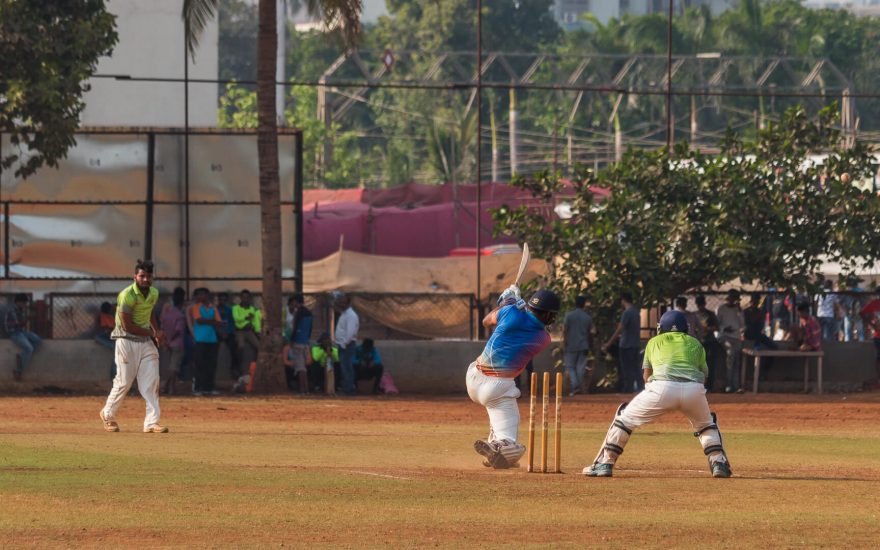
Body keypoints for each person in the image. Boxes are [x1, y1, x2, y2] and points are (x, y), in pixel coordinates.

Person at [583, 310, 732, 478]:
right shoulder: (696, 343)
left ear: (662, 328)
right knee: (707, 425)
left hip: (662, 388)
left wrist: (656, 397)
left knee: (624, 419)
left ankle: (605, 463)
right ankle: (718, 463)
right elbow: (704, 376)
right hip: (694, 390)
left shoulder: (654, 342)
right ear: (685, 328)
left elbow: (647, 376)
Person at [467, 287, 559, 469]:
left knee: (498, 421)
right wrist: (514, 304)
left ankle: (494, 449)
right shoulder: (542, 338)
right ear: (548, 315)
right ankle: (498, 447)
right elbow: (529, 323)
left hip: (473, 378)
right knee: (514, 446)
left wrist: (504, 303)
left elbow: (486, 321)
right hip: (497, 388)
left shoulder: (509, 313)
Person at [99, 259, 168, 433]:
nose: (145, 279)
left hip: (145, 342)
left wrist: (156, 330)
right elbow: (128, 326)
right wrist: (154, 334)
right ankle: (108, 415)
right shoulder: (127, 295)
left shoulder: (153, 293)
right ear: (135, 277)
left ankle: (151, 423)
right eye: (142, 276)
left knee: (151, 382)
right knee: (124, 382)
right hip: (126, 340)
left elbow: (149, 312)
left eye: (149, 276)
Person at [601, 292, 642, 394]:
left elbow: (620, 328)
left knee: (626, 368)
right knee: (636, 367)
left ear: (623, 300)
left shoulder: (627, 313)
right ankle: (640, 388)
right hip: (635, 344)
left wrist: (609, 343)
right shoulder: (636, 312)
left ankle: (628, 390)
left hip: (626, 345)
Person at [191, 288, 223, 396]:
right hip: (200, 339)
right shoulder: (196, 307)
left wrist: (213, 322)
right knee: (200, 364)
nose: (201, 297)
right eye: (199, 295)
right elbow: (199, 320)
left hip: (212, 339)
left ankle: (208, 387)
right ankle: (197, 388)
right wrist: (213, 322)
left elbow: (219, 322)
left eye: (203, 294)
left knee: (211, 364)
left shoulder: (213, 308)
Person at [4, 293, 42, 382]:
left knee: (38, 341)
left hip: (20, 332)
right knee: (29, 348)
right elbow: (18, 323)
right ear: (18, 302)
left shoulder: (19, 310)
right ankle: (18, 371)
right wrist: (25, 320)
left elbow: (21, 323)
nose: (25, 305)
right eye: (24, 303)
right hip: (14, 333)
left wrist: (24, 321)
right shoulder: (12, 310)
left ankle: (22, 356)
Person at [562, 295, 594, 396]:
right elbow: (590, 333)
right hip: (584, 345)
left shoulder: (569, 316)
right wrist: (590, 345)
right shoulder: (587, 317)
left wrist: (565, 342)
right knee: (581, 368)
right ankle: (579, 387)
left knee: (570, 367)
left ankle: (575, 386)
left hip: (571, 345)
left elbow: (565, 331)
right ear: (584, 304)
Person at [716, 289, 744, 393]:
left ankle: (736, 386)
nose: (733, 301)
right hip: (725, 336)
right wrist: (724, 329)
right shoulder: (721, 309)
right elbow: (717, 324)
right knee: (730, 354)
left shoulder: (739, 310)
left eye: (735, 299)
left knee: (737, 360)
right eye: (732, 298)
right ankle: (728, 385)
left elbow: (743, 325)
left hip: (736, 337)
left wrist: (740, 312)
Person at [284, 294, 313, 395]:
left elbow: (295, 328)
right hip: (305, 342)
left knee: (300, 368)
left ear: (297, 302)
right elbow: (310, 329)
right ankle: (307, 390)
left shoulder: (298, 313)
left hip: (298, 342)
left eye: (294, 302)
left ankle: (302, 391)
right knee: (304, 368)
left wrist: (292, 340)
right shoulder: (309, 313)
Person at [159, 288, 186, 395]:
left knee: (170, 366)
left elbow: (163, 329)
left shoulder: (166, 315)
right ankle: (168, 387)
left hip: (167, 343)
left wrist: (166, 341)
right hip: (177, 343)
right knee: (174, 367)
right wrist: (171, 340)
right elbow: (178, 331)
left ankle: (168, 387)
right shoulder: (180, 316)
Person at [334, 293, 360, 396]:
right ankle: (347, 388)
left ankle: (348, 390)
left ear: (348, 303)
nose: (341, 304)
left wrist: (344, 343)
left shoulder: (351, 315)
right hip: (342, 344)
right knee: (344, 367)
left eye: (344, 302)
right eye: (340, 302)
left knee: (347, 368)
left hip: (347, 344)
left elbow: (350, 332)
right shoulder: (344, 314)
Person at [694, 294, 721, 392]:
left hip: (710, 341)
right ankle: (699, 386)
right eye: (699, 304)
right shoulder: (694, 315)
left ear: (704, 304)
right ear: (697, 304)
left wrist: (708, 329)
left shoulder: (711, 314)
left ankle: (710, 386)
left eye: (702, 304)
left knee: (710, 365)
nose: (701, 306)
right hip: (698, 343)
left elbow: (717, 327)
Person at [232, 290, 262, 375]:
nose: (245, 299)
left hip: (249, 332)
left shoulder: (252, 308)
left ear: (249, 298)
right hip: (240, 331)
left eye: (247, 297)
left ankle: (255, 366)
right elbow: (237, 318)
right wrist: (246, 318)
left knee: (259, 346)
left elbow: (253, 320)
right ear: (240, 298)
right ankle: (238, 366)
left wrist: (255, 329)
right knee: (240, 346)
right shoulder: (235, 308)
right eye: (243, 297)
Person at [216, 292, 240, 379]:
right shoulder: (215, 310)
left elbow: (231, 323)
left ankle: (234, 368)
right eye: (221, 300)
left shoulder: (229, 310)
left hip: (227, 333)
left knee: (234, 346)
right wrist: (220, 332)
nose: (222, 301)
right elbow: (214, 324)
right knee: (213, 348)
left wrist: (228, 332)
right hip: (217, 333)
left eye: (224, 300)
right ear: (218, 300)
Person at [95, 301, 117, 379]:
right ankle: (114, 377)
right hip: (103, 337)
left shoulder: (107, 316)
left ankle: (115, 378)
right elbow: (111, 327)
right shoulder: (104, 316)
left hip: (108, 337)